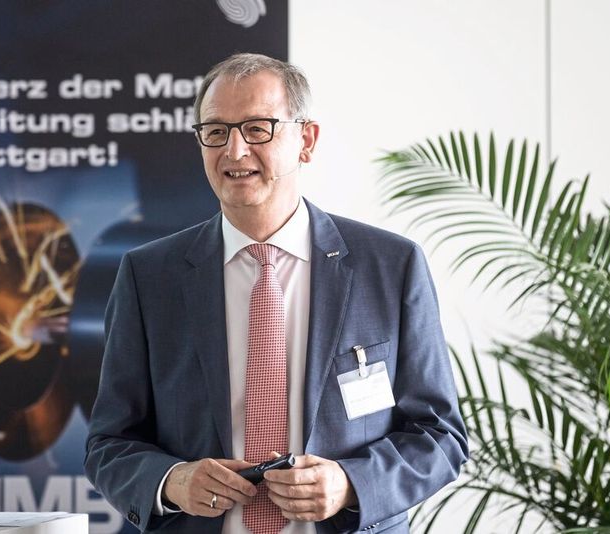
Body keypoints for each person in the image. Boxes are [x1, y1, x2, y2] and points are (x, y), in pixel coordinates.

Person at [85, 53, 468, 534]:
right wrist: (172, 480)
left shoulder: (390, 266)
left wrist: (351, 483)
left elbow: (440, 436)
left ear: (305, 141)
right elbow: (109, 443)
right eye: (216, 131)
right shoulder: (149, 276)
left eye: (258, 128)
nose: (235, 150)